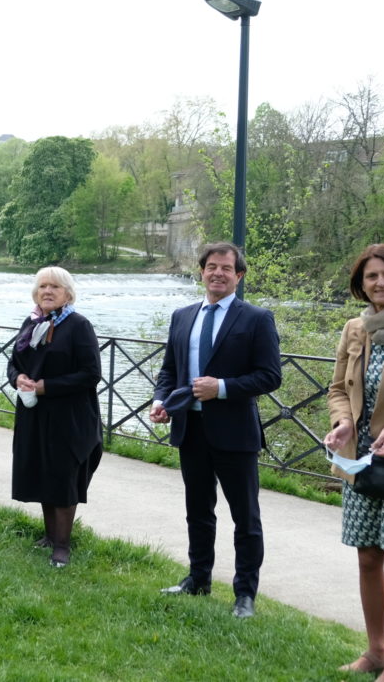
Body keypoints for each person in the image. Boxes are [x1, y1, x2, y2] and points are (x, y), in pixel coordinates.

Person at [150, 242, 281, 618]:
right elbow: (169, 371)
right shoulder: (182, 316)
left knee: (246, 516)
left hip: (235, 433)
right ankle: (198, 579)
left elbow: (270, 376)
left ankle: (245, 595)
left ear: (239, 275)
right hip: (190, 428)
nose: (218, 273)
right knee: (198, 509)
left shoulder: (256, 318)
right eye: (211, 267)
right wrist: (161, 400)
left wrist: (221, 388)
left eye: (226, 267)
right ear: (202, 272)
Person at [6, 266, 102, 566]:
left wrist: (48, 386)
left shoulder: (79, 326)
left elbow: (91, 374)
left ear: (68, 294)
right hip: (35, 414)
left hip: (69, 417)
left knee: (63, 478)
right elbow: (13, 363)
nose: (47, 292)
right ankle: (49, 536)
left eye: (55, 287)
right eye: (42, 286)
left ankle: (62, 546)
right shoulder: (32, 322)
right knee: (43, 472)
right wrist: (17, 378)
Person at [324, 244, 384, 677]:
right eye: (372, 276)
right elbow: (336, 390)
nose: (381, 282)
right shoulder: (355, 328)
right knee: (368, 557)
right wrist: (344, 423)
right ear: (360, 285)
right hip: (364, 463)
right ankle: (376, 652)